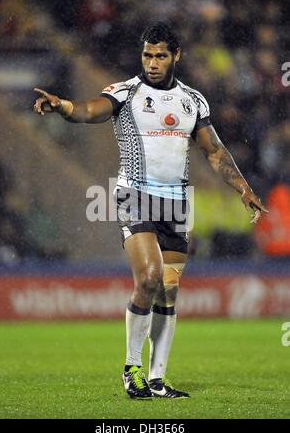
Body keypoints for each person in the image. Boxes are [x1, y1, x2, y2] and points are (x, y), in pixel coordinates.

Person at [33, 22, 268, 399]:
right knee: (149, 277)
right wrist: (63, 106)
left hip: (175, 204)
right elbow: (91, 110)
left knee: (168, 293)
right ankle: (132, 369)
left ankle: (157, 379)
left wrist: (244, 188)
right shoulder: (126, 92)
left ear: (176, 56)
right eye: (147, 55)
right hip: (134, 196)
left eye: (160, 55)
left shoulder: (193, 101)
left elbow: (214, 151)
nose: (153, 62)